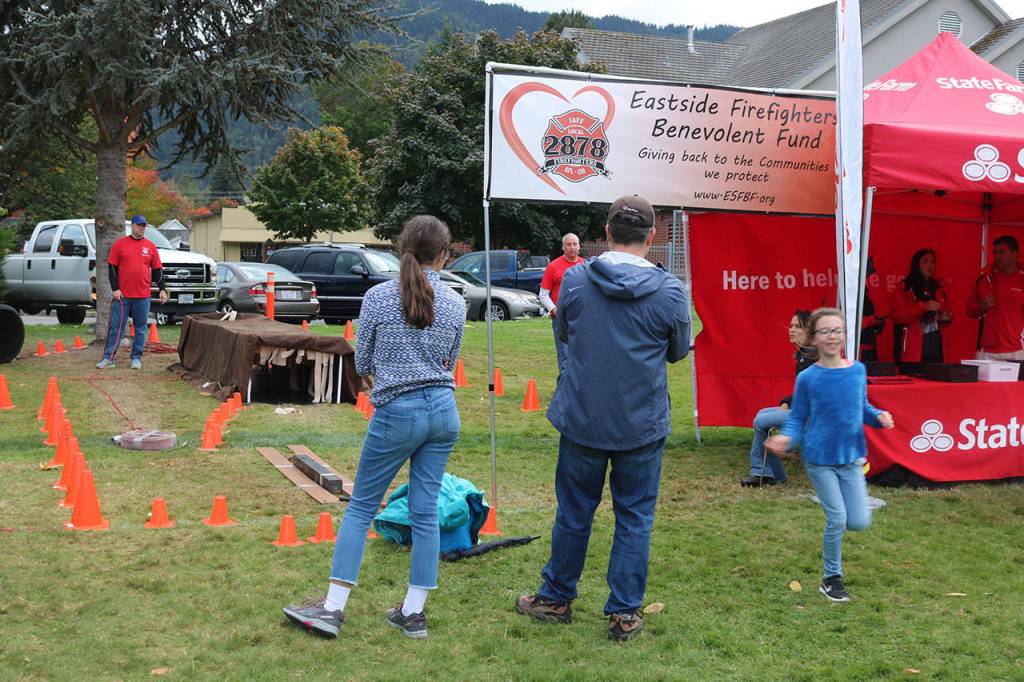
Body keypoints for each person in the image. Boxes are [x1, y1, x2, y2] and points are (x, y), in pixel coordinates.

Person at [515, 195, 691, 642]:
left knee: (575, 513)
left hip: (585, 418)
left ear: (607, 233)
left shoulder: (574, 282)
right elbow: (676, 352)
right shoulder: (671, 291)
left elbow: (566, 334)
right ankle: (624, 614)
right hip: (640, 423)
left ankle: (555, 599)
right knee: (634, 517)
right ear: (652, 237)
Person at [282, 215, 465, 640]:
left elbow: (361, 362)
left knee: (362, 505)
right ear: (442, 254)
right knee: (424, 510)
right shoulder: (455, 302)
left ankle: (331, 609)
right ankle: (413, 613)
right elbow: (449, 362)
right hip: (443, 410)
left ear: (402, 247)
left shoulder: (379, 297)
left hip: (398, 411)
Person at [766, 308, 894, 603]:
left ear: (845, 335)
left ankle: (837, 537)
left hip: (851, 459)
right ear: (815, 338)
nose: (832, 336)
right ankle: (831, 578)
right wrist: (786, 439)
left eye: (837, 330)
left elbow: (862, 408)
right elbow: (798, 418)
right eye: (825, 331)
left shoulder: (857, 371)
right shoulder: (809, 378)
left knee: (859, 521)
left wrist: (880, 417)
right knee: (836, 518)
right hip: (820, 459)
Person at [740, 310, 816, 488]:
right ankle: (770, 474)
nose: (791, 330)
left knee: (761, 420)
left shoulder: (813, 359)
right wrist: (787, 401)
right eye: (791, 326)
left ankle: (763, 473)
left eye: (797, 326)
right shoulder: (805, 355)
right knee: (762, 415)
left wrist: (790, 404)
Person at [96, 215, 168, 370]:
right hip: (122, 296)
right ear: (133, 226)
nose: (142, 228)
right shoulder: (120, 245)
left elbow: (157, 271)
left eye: (144, 225)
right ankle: (109, 358)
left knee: (141, 329)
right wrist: (115, 289)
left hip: (142, 296)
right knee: (116, 327)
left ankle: (136, 358)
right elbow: (112, 269)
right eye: (139, 225)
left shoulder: (150, 247)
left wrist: (162, 289)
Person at [890, 249, 952, 365]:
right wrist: (922, 308)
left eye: (933, 262)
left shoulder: (938, 287)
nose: (930, 265)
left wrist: (945, 317)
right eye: (925, 262)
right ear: (916, 265)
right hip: (912, 352)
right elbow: (896, 316)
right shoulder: (905, 287)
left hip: (935, 350)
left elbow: (945, 310)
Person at [966, 235, 1024, 361]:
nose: (996, 256)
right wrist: (982, 306)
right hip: (988, 351)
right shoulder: (984, 279)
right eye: (994, 252)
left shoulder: (1022, 279)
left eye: (1001, 252)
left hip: (1018, 350)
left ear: (1015, 254)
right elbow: (970, 310)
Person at [539, 232, 583, 375]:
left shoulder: (586, 265)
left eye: (574, 244)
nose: (572, 247)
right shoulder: (553, 266)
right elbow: (543, 294)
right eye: (568, 244)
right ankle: (564, 391)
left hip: (581, 317)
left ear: (579, 246)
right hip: (561, 319)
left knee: (581, 355)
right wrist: (554, 309)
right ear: (563, 247)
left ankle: (579, 390)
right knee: (564, 355)